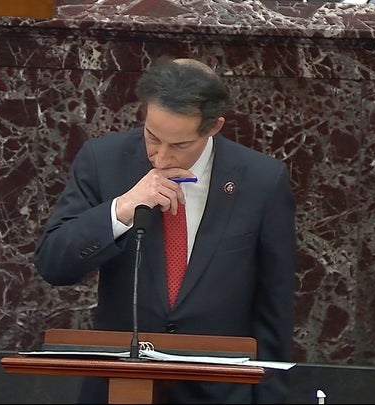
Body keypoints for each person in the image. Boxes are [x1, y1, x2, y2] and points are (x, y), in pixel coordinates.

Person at [34, 56, 297, 403]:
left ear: (213, 127)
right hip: (123, 385)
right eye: (152, 138)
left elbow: (275, 306)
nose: (160, 157)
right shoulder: (103, 160)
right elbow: (54, 263)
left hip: (220, 390)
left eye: (180, 145)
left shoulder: (262, 180)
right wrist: (122, 209)